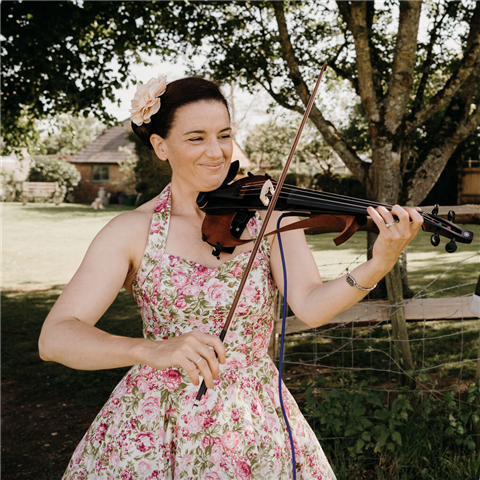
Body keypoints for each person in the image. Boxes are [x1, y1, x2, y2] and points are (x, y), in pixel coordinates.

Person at [39, 75, 423, 480]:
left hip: (254, 417)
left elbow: (311, 306)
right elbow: (55, 337)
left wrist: (379, 263)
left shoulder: (268, 215)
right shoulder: (131, 231)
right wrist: (149, 349)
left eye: (224, 135)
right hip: (157, 422)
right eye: (196, 138)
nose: (216, 151)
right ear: (160, 146)